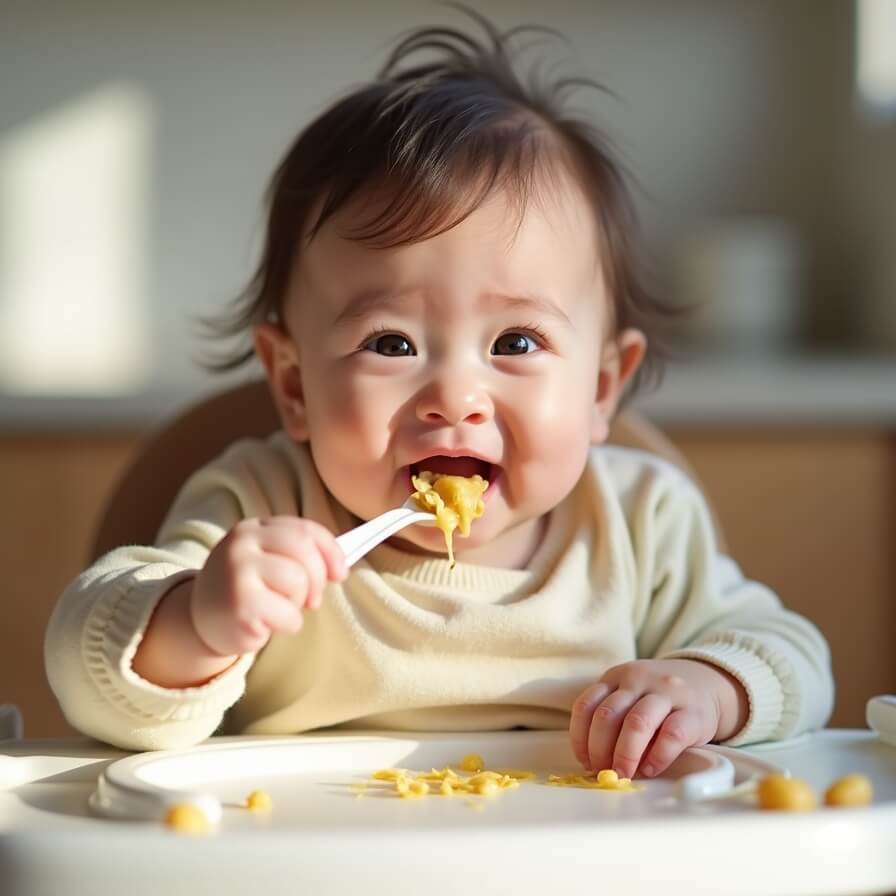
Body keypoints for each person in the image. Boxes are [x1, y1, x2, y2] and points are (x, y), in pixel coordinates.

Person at [45, 11, 833, 778]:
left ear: (600, 388)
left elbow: (792, 654)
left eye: (515, 343)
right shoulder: (259, 504)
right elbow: (88, 675)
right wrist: (197, 621)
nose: (456, 398)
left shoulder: (638, 525)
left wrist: (710, 687)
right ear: (293, 385)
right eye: (391, 343)